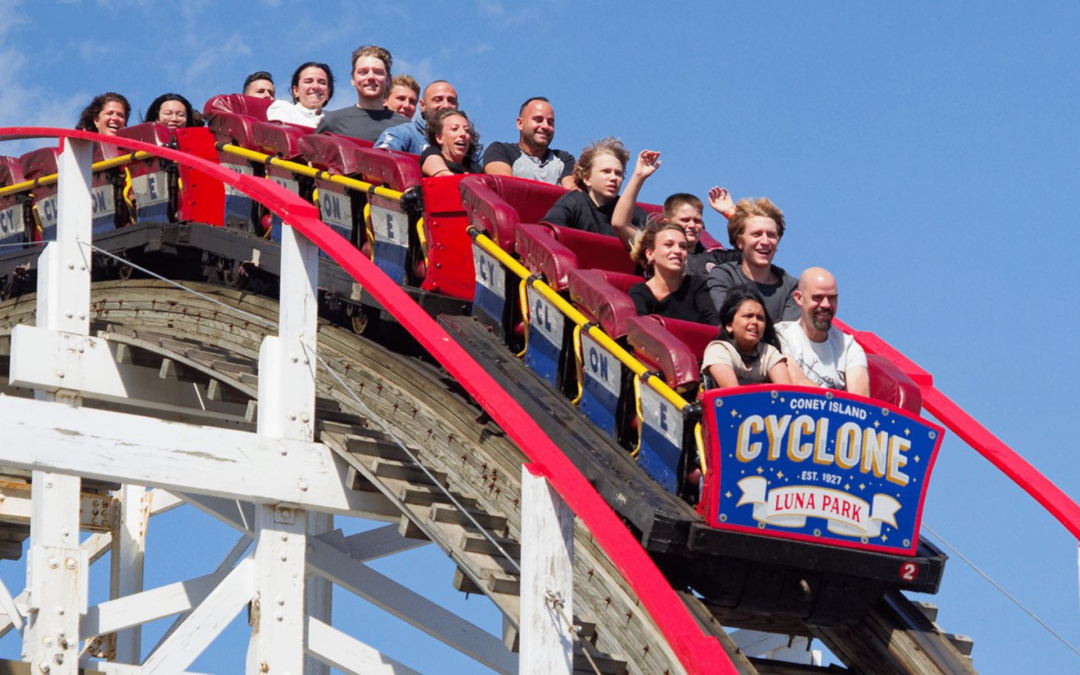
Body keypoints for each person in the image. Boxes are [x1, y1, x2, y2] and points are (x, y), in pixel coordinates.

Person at [776, 267, 869, 396]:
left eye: (832, 298)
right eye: (818, 297)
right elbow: (795, 382)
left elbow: (860, 401)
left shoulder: (849, 348)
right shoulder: (781, 335)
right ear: (798, 298)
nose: (826, 305)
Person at [707, 197, 799, 322]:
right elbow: (731, 322)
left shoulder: (791, 287)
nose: (765, 241)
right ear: (739, 241)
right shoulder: (724, 276)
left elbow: (789, 334)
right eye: (756, 234)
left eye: (771, 235)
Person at [541, 137, 648, 244]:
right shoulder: (573, 202)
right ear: (587, 179)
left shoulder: (629, 211)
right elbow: (545, 235)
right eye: (606, 171)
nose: (613, 178)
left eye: (618, 173)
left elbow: (655, 237)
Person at [628, 220, 718, 325]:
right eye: (668, 245)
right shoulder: (640, 292)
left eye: (683, 246)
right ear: (650, 254)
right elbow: (640, 330)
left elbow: (713, 323)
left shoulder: (696, 285)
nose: (677, 251)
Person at [701, 284, 790, 388]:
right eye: (748, 316)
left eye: (760, 318)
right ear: (729, 326)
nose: (755, 322)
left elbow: (787, 394)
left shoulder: (769, 353)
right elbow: (733, 395)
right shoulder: (718, 350)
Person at [315, 45, 409, 141]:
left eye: (378, 72)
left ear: (388, 80)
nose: (371, 77)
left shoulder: (406, 127)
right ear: (353, 79)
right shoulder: (333, 121)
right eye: (363, 72)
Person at [375, 80, 483, 162]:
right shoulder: (403, 133)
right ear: (422, 106)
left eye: (451, 101)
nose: (445, 105)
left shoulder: (468, 143)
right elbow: (378, 162)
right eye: (438, 100)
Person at [483, 97, 575, 189]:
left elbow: (573, 193)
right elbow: (505, 187)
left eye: (550, 122)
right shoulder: (500, 151)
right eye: (538, 120)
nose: (545, 126)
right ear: (520, 123)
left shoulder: (564, 159)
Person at [665, 189, 740, 278]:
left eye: (697, 221)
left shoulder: (716, 257)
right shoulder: (658, 256)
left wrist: (731, 214)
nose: (692, 225)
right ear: (667, 223)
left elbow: (752, 253)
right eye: (685, 220)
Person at [267, 62, 333, 128]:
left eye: (322, 82)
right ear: (296, 91)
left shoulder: (335, 120)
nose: (315, 86)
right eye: (308, 81)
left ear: (328, 93)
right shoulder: (283, 109)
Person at [420, 109, 482, 176]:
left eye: (467, 130)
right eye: (455, 129)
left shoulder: (475, 168)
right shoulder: (431, 153)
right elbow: (442, 175)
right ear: (439, 138)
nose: (463, 133)